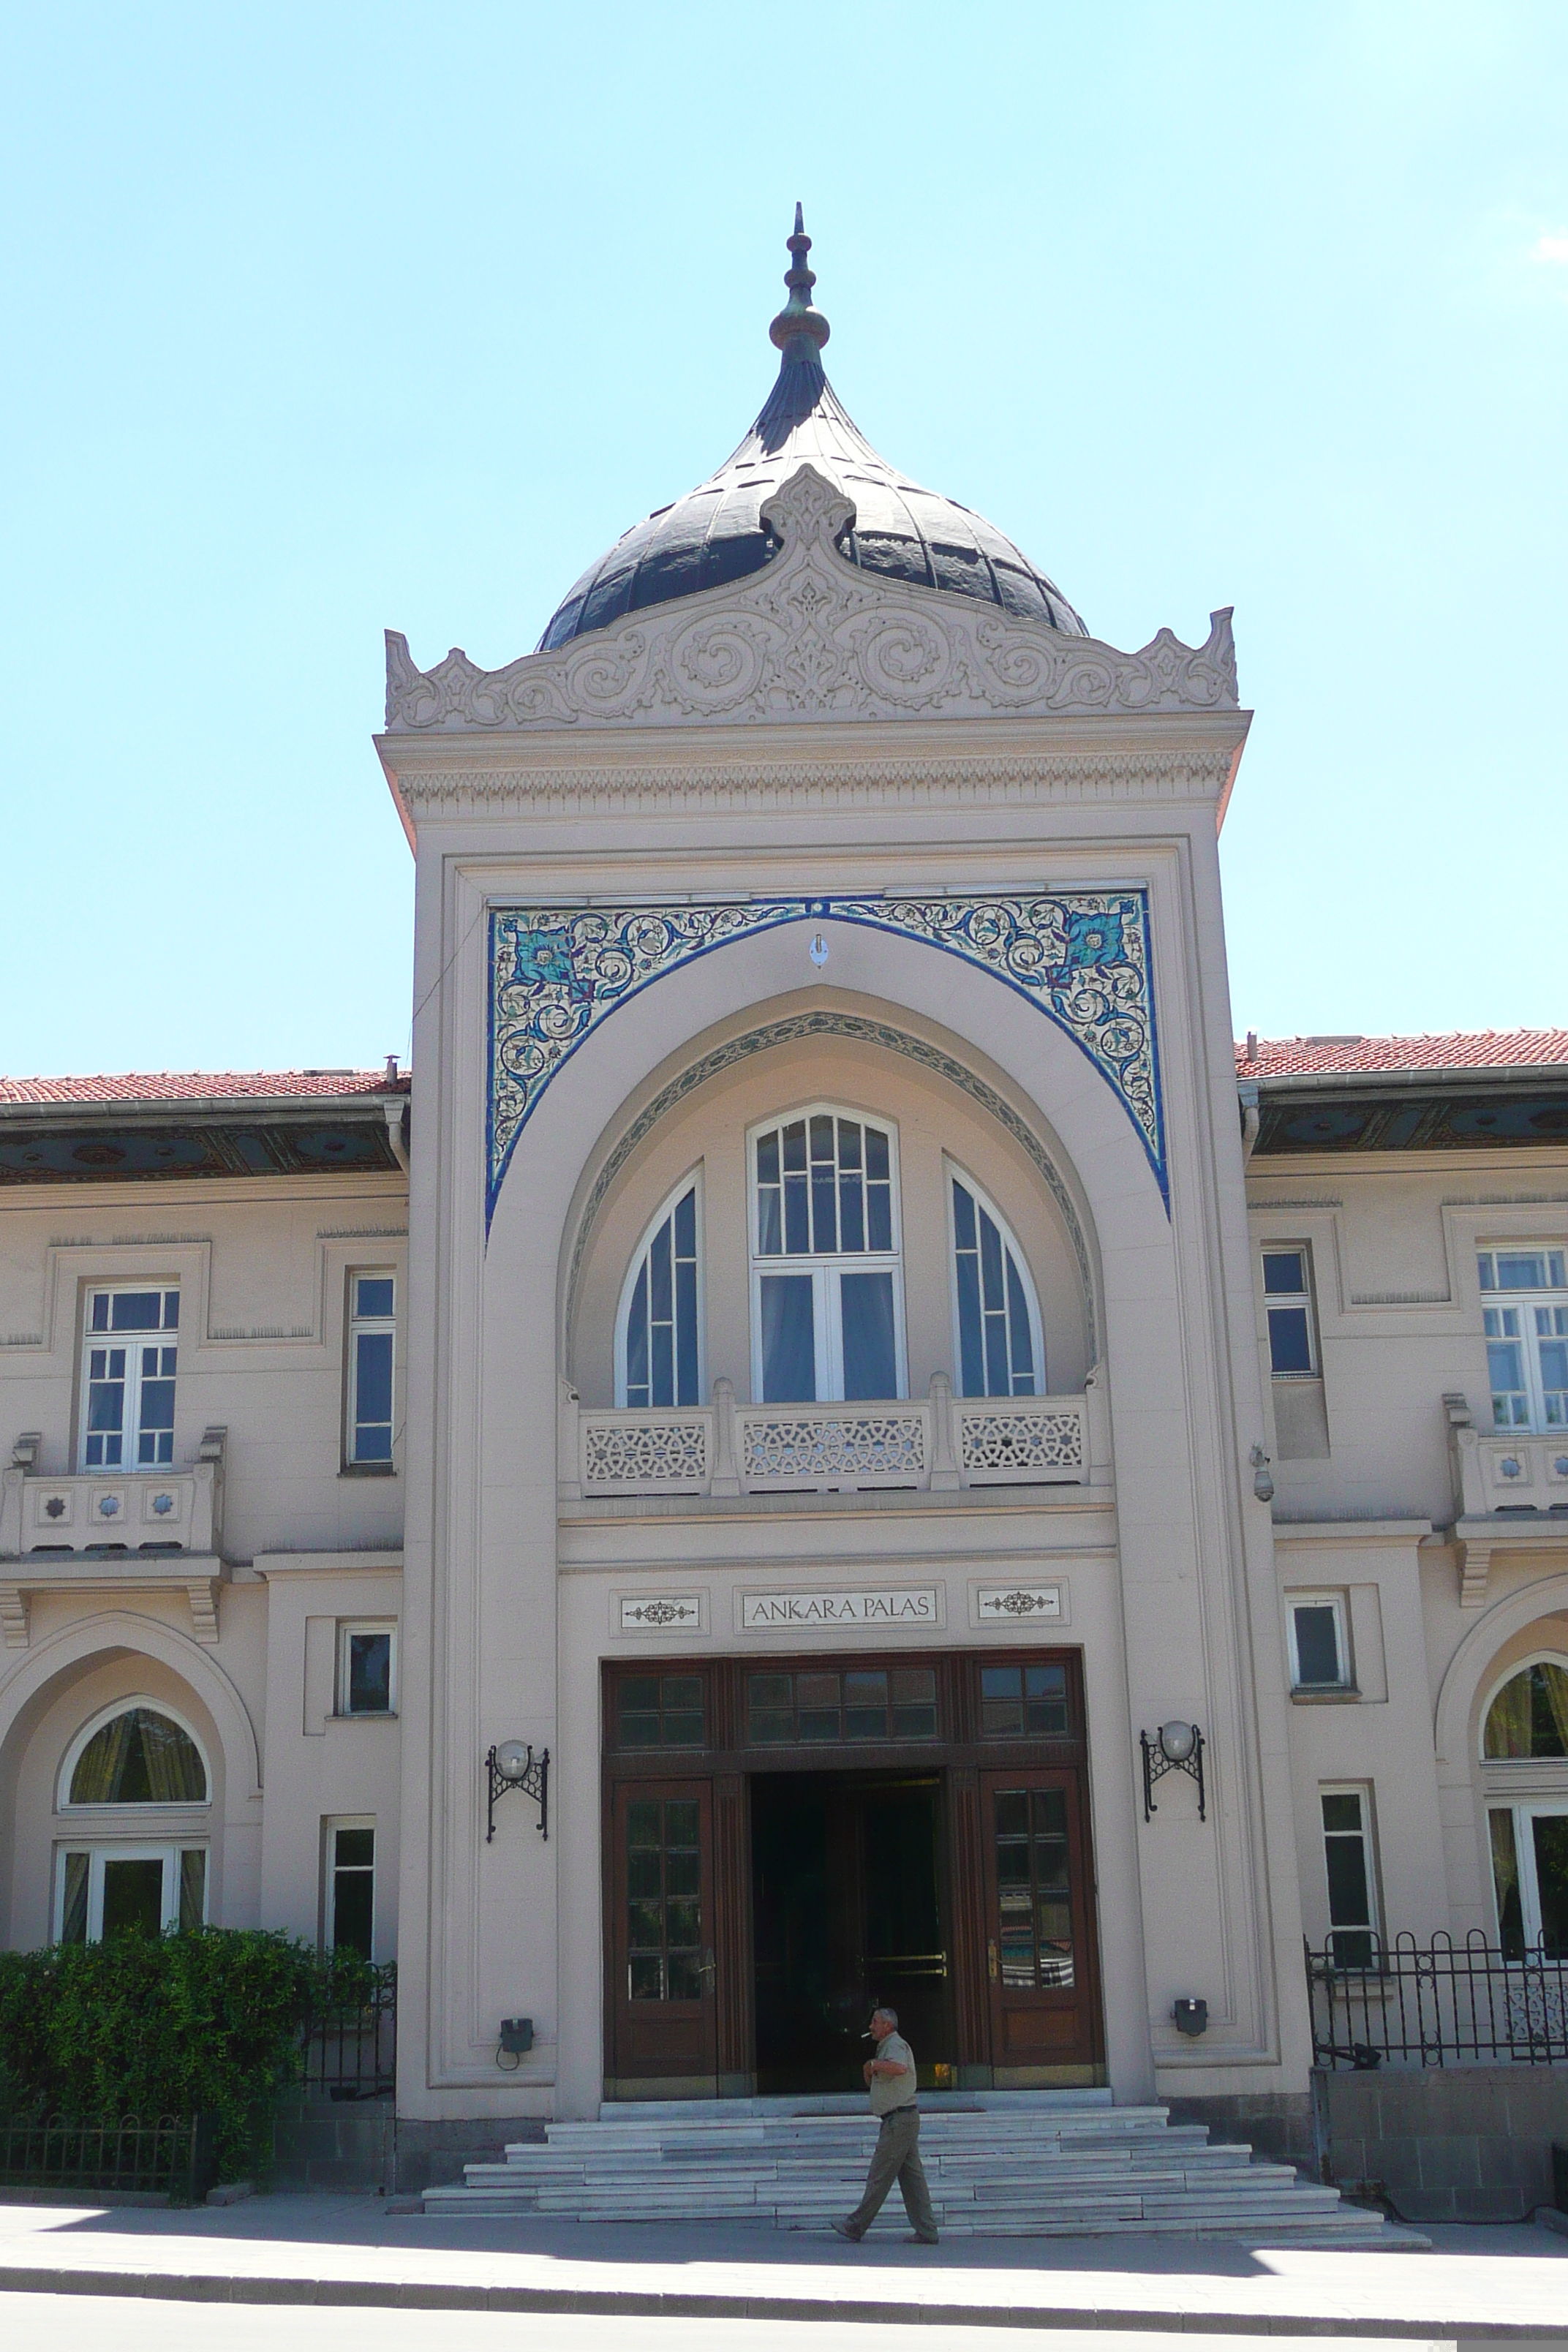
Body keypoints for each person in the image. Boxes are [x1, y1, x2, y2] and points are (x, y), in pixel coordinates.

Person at [832, 2004, 938, 2244]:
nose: (871, 2027)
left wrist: (874, 2065)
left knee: (879, 2176)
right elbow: (878, 2081)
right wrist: (870, 2069)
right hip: (902, 2120)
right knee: (913, 2180)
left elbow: (900, 2068)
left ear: (887, 2025)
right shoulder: (886, 2048)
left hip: (899, 2121)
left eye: (875, 2022)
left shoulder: (895, 2045)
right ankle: (927, 2229)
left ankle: (855, 2226)